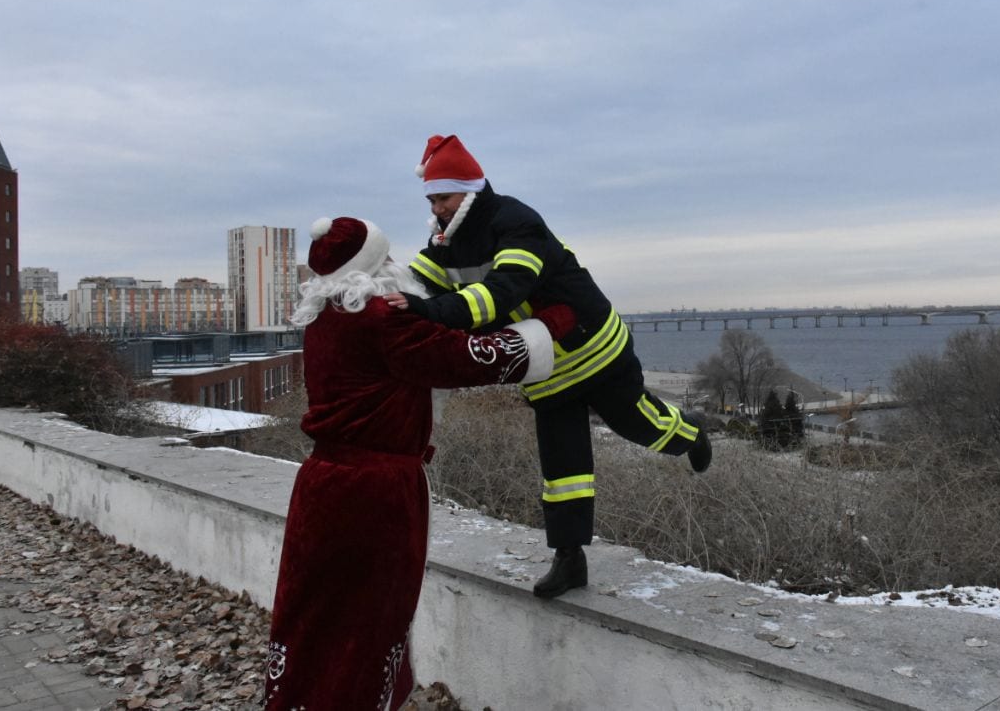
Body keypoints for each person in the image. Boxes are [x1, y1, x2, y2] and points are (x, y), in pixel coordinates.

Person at [264, 215, 574, 710]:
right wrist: (550, 324)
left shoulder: (325, 317)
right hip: (373, 496)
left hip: (321, 487)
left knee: (314, 615)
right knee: (368, 622)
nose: (396, 265)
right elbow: (462, 359)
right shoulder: (380, 320)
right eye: (387, 258)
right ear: (372, 266)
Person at [386, 134, 711, 600]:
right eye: (432, 199)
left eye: (443, 197)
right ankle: (569, 559)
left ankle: (691, 435)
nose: (436, 208)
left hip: (595, 348)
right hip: (546, 367)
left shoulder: (516, 221)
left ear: (469, 191)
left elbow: (503, 292)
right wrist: (376, 298)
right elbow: (418, 283)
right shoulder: (446, 240)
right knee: (563, 469)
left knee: (636, 423)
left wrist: (428, 312)